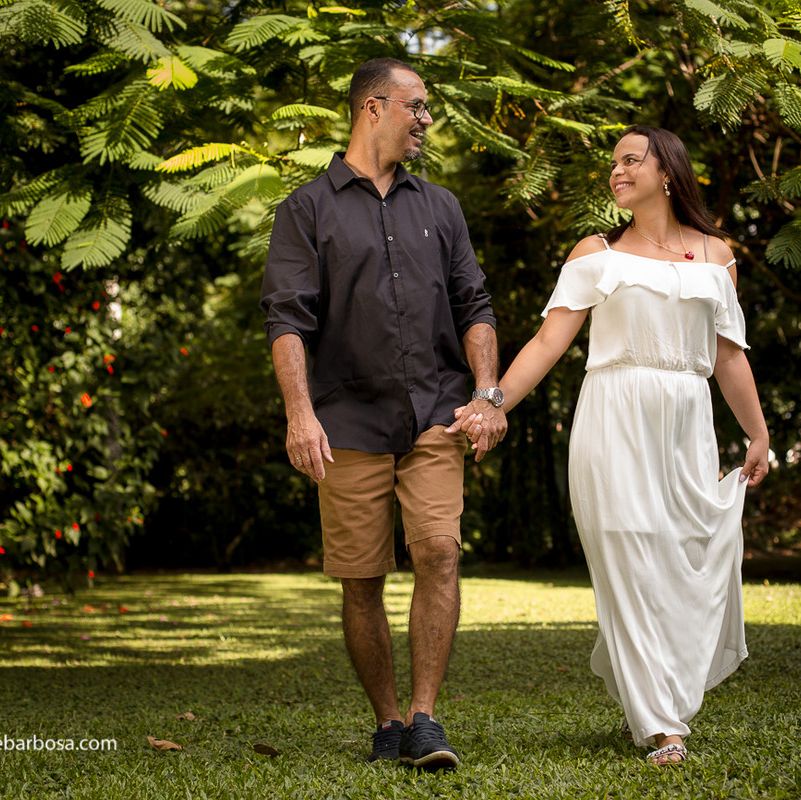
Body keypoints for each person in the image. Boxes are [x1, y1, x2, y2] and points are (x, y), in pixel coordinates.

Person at [451, 125, 769, 766]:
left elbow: (729, 354)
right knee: (629, 557)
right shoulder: (596, 252)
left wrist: (758, 432)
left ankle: (650, 699)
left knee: (680, 559)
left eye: (631, 160)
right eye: (613, 163)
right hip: (613, 416)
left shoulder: (716, 254)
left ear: (668, 172)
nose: (616, 171)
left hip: (687, 421)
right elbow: (548, 342)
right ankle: (661, 725)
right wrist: (492, 403)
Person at [260, 58, 507, 770]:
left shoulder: (441, 207)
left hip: (435, 414)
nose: (427, 119)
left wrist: (487, 392)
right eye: (416, 106)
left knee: (439, 551)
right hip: (346, 423)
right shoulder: (306, 209)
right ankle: (388, 722)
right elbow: (287, 320)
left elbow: (474, 305)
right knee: (362, 578)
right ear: (373, 108)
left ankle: (426, 719)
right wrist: (300, 415)